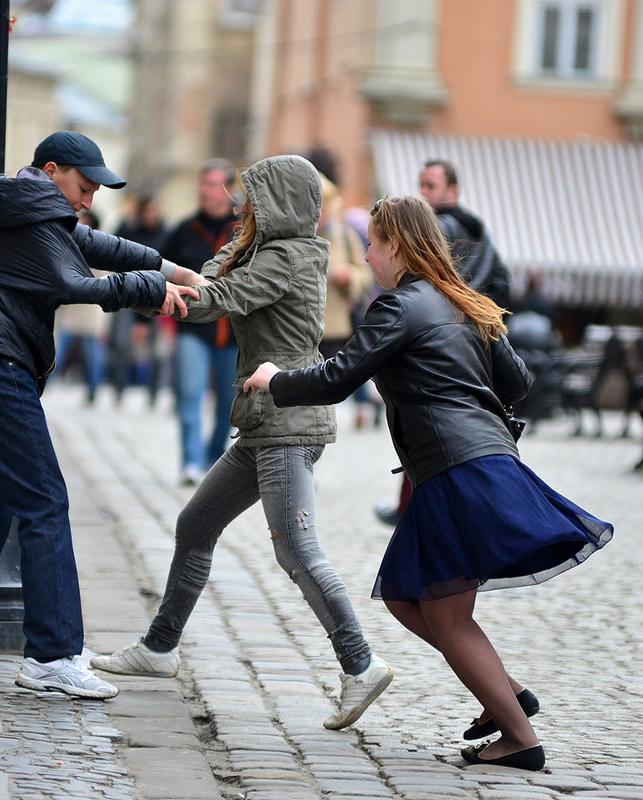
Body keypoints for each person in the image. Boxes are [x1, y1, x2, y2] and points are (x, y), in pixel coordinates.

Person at [243, 194, 613, 769]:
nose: (366, 255)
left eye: (371, 243)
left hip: (455, 469)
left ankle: (520, 738)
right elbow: (516, 384)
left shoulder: (398, 307)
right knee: (404, 595)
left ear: (395, 244)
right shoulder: (468, 303)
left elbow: (339, 377)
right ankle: (508, 694)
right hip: (481, 463)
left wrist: (274, 379)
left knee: (444, 613)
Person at [0, 130, 201, 699]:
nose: (87, 199)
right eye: (83, 187)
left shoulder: (29, 209)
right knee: (45, 504)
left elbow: (98, 247)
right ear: (51, 170)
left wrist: (172, 269)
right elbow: (72, 282)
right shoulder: (34, 216)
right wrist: (153, 289)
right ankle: (53, 656)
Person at [91, 155, 393, 730]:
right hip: (263, 421)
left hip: (286, 421)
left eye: (251, 196)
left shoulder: (288, 255)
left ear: (278, 200)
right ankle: (159, 649)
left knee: (297, 551)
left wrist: (131, 292)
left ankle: (361, 664)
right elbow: (217, 278)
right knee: (196, 525)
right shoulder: (271, 249)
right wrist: (196, 268)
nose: (240, 205)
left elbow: (219, 300)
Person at [376, 159, 511, 526]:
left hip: (437, 336)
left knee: (427, 423)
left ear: (452, 191)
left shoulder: (440, 226)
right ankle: (433, 513)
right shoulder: (480, 231)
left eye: (430, 186)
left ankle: (414, 513)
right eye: (420, 184)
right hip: (472, 338)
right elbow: (504, 284)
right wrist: (479, 311)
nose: (423, 192)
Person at [162, 159, 240, 485]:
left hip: (234, 333)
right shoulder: (184, 229)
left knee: (228, 403)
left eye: (212, 185)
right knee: (190, 394)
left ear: (229, 190)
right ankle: (191, 462)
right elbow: (161, 271)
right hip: (191, 327)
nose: (204, 191)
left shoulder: (245, 230)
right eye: (202, 184)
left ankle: (213, 458)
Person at [317, 177, 375, 429]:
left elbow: (366, 273)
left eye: (323, 205)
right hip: (299, 326)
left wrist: (350, 276)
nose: (319, 212)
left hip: (335, 325)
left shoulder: (343, 235)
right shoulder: (291, 238)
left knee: (333, 381)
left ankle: (359, 408)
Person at [110, 194, 171, 405]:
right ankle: (118, 388)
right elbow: (113, 245)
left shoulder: (167, 234)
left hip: (159, 294)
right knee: (121, 343)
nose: (151, 216)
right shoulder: (130, 230)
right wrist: (126, 218)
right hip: (128, 293)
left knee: (157, 350)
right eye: (147, 211)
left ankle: (154, 392)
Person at [52, 209, 109, 404]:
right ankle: (46, 382)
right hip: (73, 308)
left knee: (92, 355)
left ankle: (93, 388)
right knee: (59, 350)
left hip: (90, 309)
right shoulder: (69, 245)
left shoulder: (99, 248)